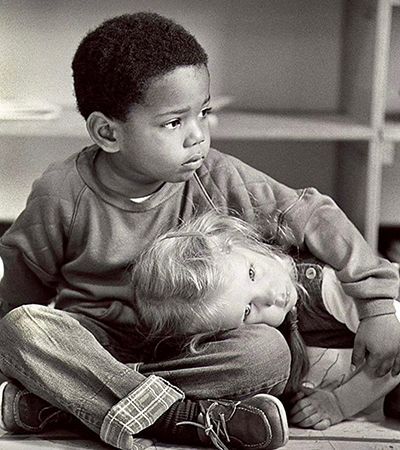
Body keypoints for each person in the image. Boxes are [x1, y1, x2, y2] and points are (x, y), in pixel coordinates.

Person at [0, 10, 399, 450]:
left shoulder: (215, 176)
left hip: (193, 351)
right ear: (107, 132)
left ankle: (72, 405)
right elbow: (20, 288)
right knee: (19, 328)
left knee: (267, 353)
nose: (198, 136)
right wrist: (25, 350)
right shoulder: (61, 193)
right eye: (174, 122)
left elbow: (313, 213)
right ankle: (183, 417)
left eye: (203, 112)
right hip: (99, 346)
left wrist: (378, 303)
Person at [131, 211, 400, 430]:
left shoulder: (324, 286)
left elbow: (393, 344)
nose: (272, 297)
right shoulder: (267, 341)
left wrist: (339, 404)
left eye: (251, 273)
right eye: (248, 310)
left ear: (243, 242)